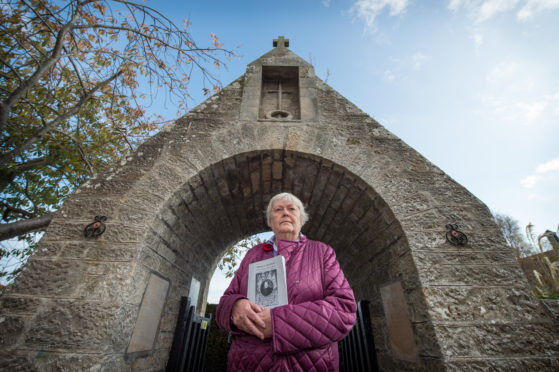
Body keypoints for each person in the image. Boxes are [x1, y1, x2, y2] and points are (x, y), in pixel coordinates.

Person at [216, 192, 357, 371]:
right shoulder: (253, 255)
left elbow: (343, 309)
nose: (285, 213)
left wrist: (277, 323)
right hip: (247, 363)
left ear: (301, 218)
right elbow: (224, 304)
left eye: (292, 209)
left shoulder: (322, 252)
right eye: (278, 209)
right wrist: (234, 307)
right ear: (270, 220)